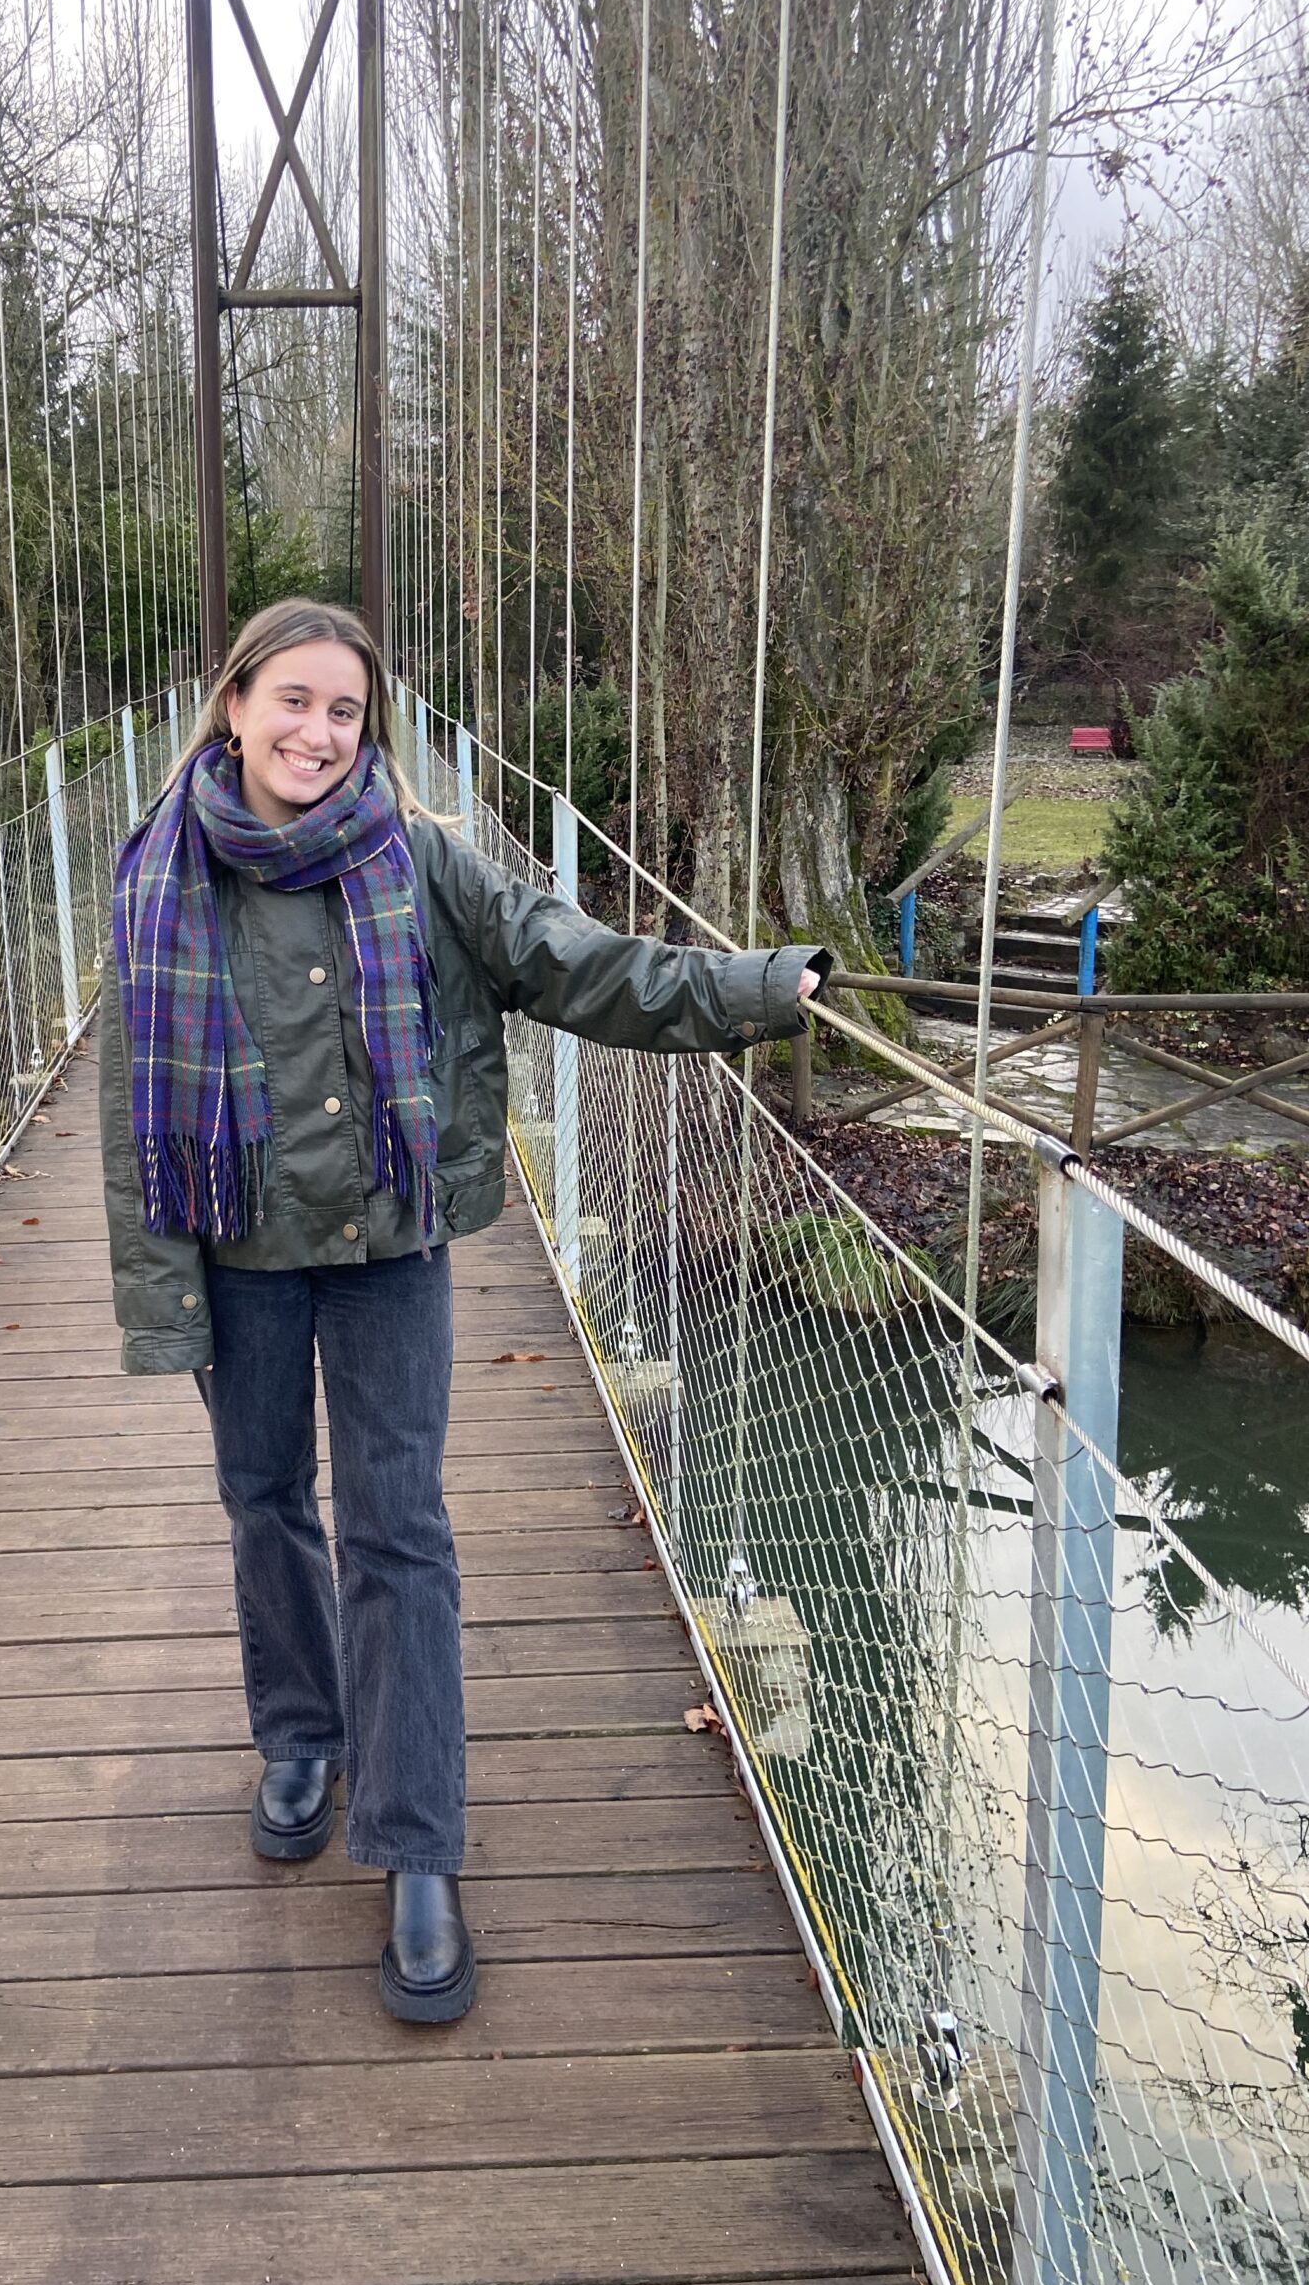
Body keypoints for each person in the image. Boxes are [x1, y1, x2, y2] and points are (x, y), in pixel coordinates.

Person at [98, 598, 827, 2024]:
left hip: (388, 1245)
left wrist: (757, 987)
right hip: (234, 1249)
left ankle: (418, 1848)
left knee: (399, 1528)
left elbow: (580, 965)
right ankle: (301, 1736)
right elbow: (136, 1126)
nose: (318, 734)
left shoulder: (422, 863)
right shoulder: (158, 877)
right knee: (262, 1499)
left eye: (347, 713)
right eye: (293, 702)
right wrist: (163, 1309)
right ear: (233, 703)